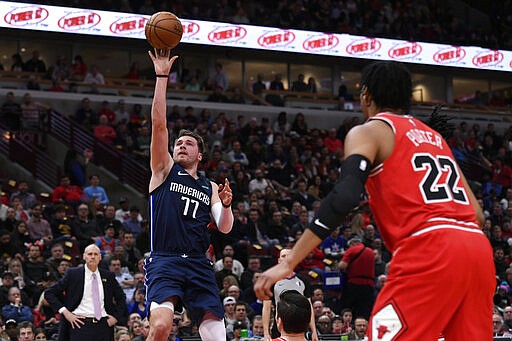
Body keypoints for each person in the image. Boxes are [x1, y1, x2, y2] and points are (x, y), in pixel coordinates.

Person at [255, 61, 495, 340]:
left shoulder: (369, 130)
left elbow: (344, 195)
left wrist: (290, 261)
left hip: (429, 249)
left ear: (366, 95)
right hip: (477, 251)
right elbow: (477, 214)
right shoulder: (435, 138)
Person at [145, 48, 234, 341]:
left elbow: (223, 226)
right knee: (160, 327)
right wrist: (162, 77)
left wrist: (228, 206)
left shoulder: (209, 187)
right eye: (178, 142)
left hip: (198, 262)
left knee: (217, 336)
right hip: (166, 260)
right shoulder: (163, 170)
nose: (181, 145)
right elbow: (159, 125)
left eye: (188, 144)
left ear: (200, 154)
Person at [45, 244, 126, 341]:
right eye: (90, 254)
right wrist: (66, 313)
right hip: (79, 324)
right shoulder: (73, 274)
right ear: (84, 256)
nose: (92, 257)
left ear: (100, 257)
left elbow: (121, 297)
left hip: (104, 325)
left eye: (95, 254)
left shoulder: (108, 276)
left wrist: (115, 318)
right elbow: (49, 293)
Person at [262, 249, 317, 341]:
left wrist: (314, 331)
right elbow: (266, 308)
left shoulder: (303, 280)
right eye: (283, 256)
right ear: (279, 260)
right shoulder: (271, 281)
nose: (286, 258)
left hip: (301, 327)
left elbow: (309, 306)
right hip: (280, 325)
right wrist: (266, 333)